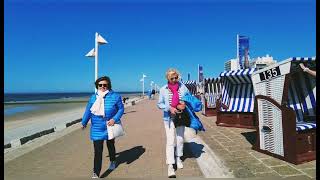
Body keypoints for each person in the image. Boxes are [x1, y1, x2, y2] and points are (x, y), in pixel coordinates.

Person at [81, 76, 124, 178]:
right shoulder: (93, 97)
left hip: (110, 126)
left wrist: (114, 119)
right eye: (100, 85)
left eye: (105, 85)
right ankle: (96, 172)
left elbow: (121, 109)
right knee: (98, 151)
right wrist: (84, 122)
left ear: (108, 85)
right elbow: (88, 110)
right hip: (97, 127)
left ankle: (113, 161)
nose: (103, 87)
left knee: (110, 145)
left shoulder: (115, 96)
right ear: (97, 86)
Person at [157, 68, 190, 178]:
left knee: (180, 139)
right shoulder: (163, 89)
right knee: (170, 141)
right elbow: (159, 104)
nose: (175, 80)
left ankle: (178, 158)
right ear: (167, 78)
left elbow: (188, 98)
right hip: (169, 119)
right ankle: (170, 165)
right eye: (172, 78)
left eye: (176, 77)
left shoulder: (183, 87)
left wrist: (184, 103)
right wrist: (169, 108)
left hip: (181, 117)